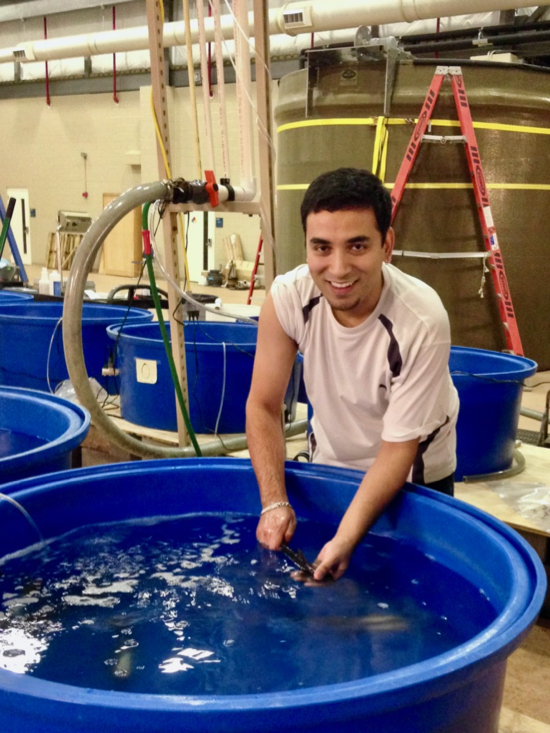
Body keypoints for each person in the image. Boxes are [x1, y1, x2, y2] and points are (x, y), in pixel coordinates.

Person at [245, 167, 459, 582]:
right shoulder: (289, 298)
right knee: (329, 598)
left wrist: (346, 537)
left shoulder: (421, 320)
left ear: (387, 245)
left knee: (398, 605)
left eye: (357, 246)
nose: (338, 268)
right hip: (332, 463)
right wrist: (274, 501)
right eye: (321, 248)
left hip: (415, 477)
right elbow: (263, 404)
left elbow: (399, 450)